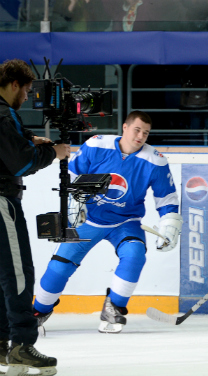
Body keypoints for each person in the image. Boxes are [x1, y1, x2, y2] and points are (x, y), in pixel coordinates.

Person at [33, 111, 183, 334]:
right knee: (59, 266)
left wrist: (170, 226)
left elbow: (167, 198)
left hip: (126, 222)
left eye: (146, 132)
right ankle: (38, 311)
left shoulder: (155, 160)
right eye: (137, 130)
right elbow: (72, 175)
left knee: (134, 255)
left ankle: (114, 307)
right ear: (125, 127)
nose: (141, 136)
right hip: (88, 219)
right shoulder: (96, 144)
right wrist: (77, 200)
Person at [0, 59, 71, 376]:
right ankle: (22, 344)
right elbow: (19, 163)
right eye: (26, 91)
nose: (28, 97)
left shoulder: (4, 114)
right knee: (17, 273)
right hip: (2, 202)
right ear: (13, 85)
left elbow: (13, 142)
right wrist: (51, 153)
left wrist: (32, 141)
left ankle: (3, 342)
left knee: (2, 275)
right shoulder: (3, 113)